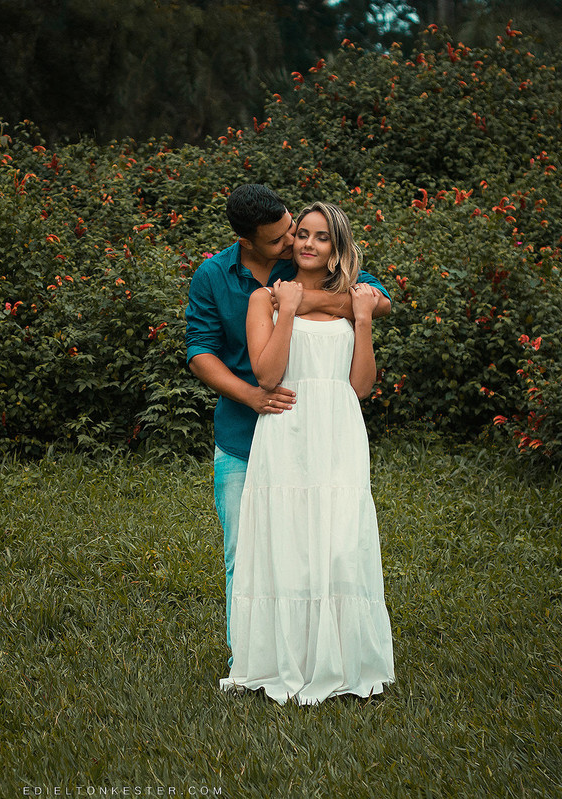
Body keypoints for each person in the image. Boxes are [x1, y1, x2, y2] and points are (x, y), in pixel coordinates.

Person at [184, 184, 390, 662]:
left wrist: (304, 304)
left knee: (320, 544)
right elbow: (199, 353)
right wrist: (253, 396)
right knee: (247, 553)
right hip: (243, 431)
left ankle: (317, 647)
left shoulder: (304, 258)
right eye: (281, 238)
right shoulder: (214, 275)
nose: (294, 241)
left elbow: (373, 298)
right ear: (248, 240)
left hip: (318, 434)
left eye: (295, 229)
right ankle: (252, 657)